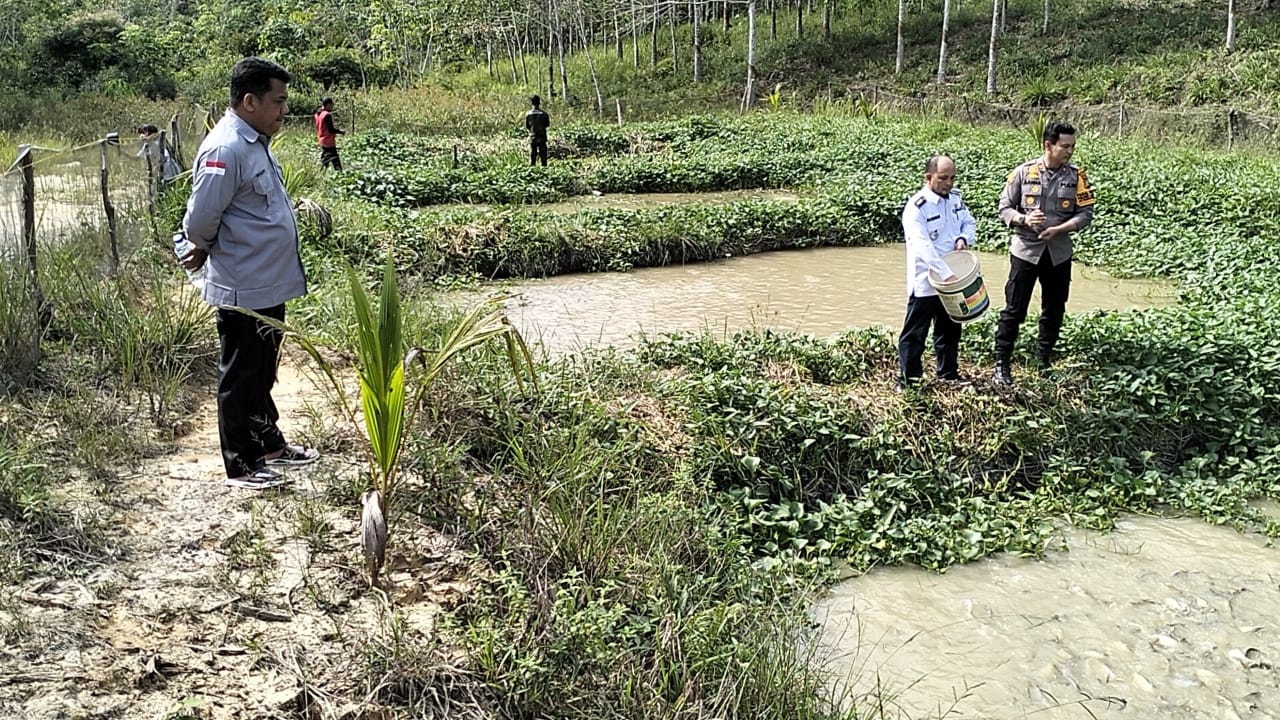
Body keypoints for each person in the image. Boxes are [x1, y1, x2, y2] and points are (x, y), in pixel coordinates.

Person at [179, 57, 320, 490]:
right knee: (241, 373)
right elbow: (201, 219)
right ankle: (241, 463)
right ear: (249, 100)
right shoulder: (227, 148)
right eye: (278, 101)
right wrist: (199, 247)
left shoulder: (254, 140)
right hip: (242, 283)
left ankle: (268, 444)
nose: (284, 110)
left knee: (262, 370)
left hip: (268, 280)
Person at [993, 121, 1096, 385]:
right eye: (1065, 146)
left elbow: (1086, 213)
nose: (1070, 151)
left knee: (1054, 308)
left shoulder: (1078, 177)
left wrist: (1061, 228)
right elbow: (1004, 207)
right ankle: (1002, 364)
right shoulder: (1023, 172)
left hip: (1058, 253)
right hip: (1026, 251)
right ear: (1048, 145)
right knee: (1014, 309)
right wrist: (1023, 219)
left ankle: (1043, 361)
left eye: (1072, 146)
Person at [897, 155, 976, 390]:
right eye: (943, 178)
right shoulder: (916, 207)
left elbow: (969, 222)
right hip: (927, 281)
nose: (948, 183)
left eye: (952, 178)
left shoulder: (955, 200)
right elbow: (922, 247)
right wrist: (944, 273)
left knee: (950, 328)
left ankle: (948, 374)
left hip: (953, 280)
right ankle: (909, 380)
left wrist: (964, 238)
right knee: (915, 333)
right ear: (928, 177)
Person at [313, 96, 345, 170]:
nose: (332, 107)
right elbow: (331, 129)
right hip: (328, 141)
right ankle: (340, 174)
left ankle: (322, 172)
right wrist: (340, 131)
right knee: (335, 159)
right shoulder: (327, 115)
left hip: (321, 139)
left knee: (325, 159)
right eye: (331, 105)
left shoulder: (317, 114)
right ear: (328, 104)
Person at [524, 94, 550, 167]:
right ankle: (544, 171)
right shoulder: (544, 114)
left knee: (532, 155)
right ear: (539, 102)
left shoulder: (528, 114)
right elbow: (547, 124)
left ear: (531, 103)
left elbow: (527, 126)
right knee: (543, 156)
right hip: (542, 137)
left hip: (533, 137)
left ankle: (532, 171)